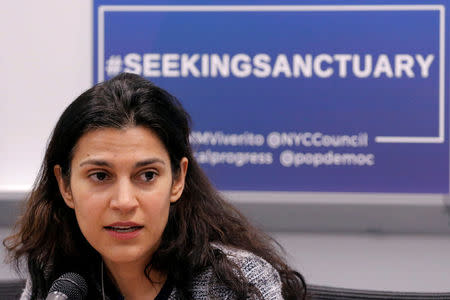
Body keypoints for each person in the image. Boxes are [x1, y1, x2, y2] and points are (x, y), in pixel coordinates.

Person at [4, 73, 307, 300]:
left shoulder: (234, 283)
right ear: (65, 186)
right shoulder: (57, 278)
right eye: (100, 176)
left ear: (177, 180)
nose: (124, 202)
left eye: (147, 176)